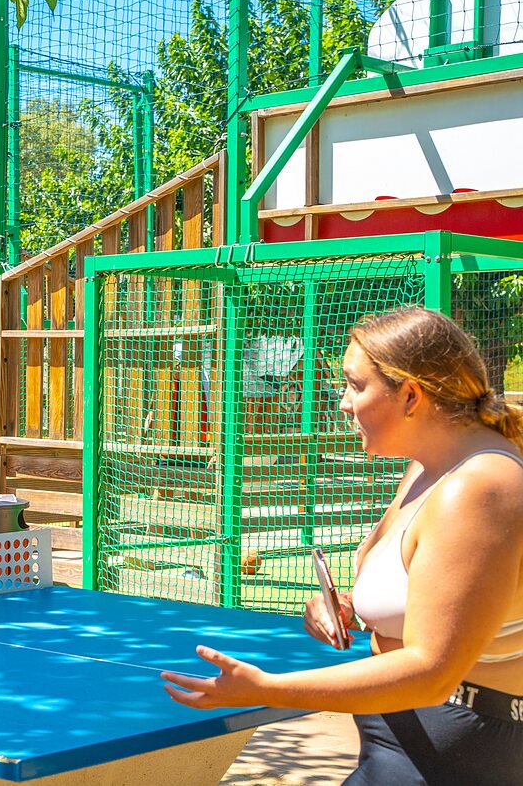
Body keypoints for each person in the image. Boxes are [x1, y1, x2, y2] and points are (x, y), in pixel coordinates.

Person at [161, 307, 523, 785]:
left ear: (410, 394)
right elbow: (431, 597)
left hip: (459, 752)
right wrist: (343, 605)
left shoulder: (479, 487)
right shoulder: (427, 466)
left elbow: (431, 671)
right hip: (408, 741)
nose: (342, 402)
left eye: (355, 385)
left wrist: (269, 689)